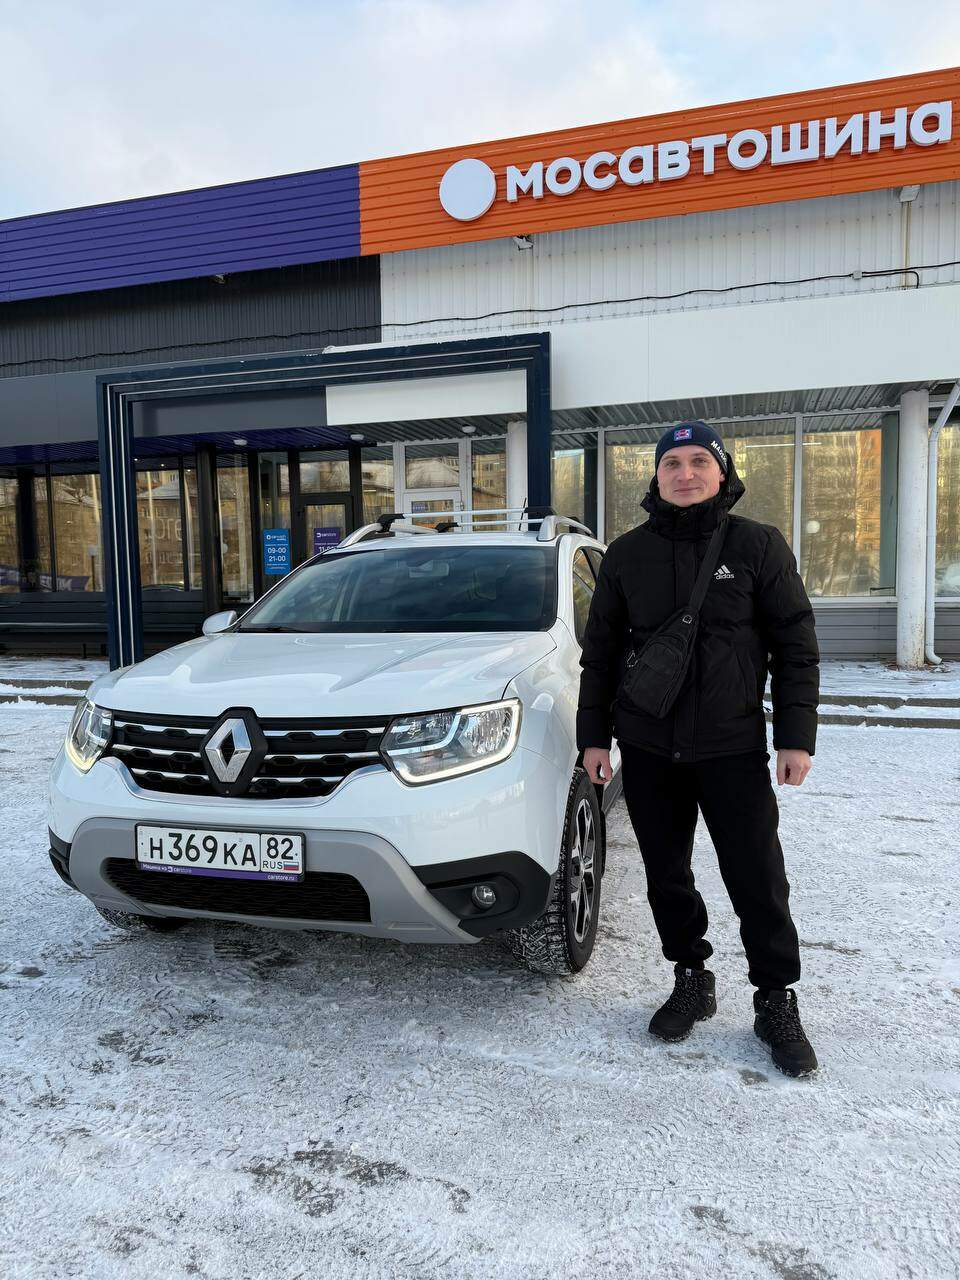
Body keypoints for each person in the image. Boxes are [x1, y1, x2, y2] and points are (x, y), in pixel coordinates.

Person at [577, 421, 820, 1077]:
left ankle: (775, 998)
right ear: (656, 476)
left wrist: (794, 736)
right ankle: (691, 977)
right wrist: (593, 736)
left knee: (757, 876)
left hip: (731, 745)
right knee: (666, 873)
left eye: (698, 462)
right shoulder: (627, 554)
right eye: (672, 463)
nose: (685, 474)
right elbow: (600, 653)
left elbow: (795, 644)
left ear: (721, 471)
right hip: (649, 746)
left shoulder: (757, 545)